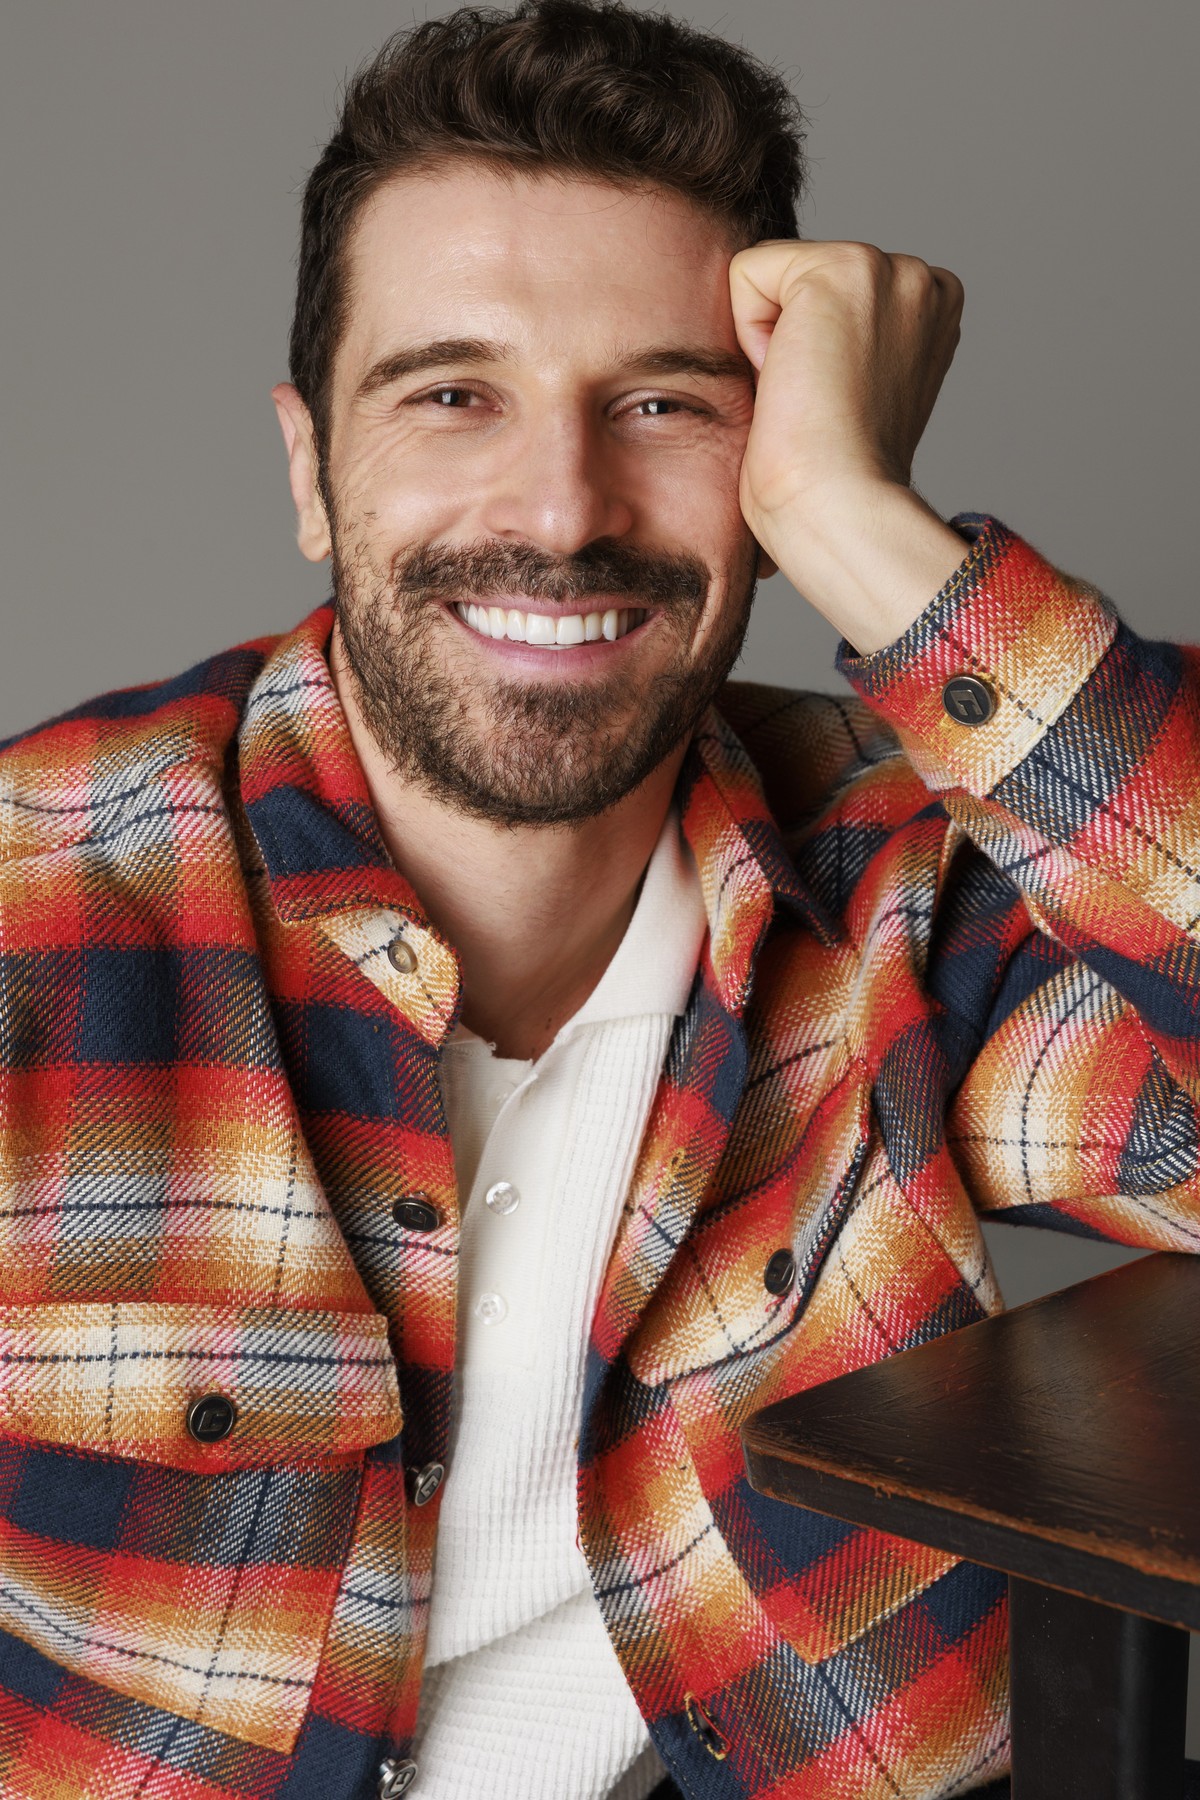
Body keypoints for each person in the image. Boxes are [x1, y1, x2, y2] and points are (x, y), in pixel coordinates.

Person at [0, 2, 1196, 1796]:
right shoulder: (40, 906)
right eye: (452, 395)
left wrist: (869, 532)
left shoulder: (914, 893)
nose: (563, 511)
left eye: (664, 404)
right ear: (311, 469)